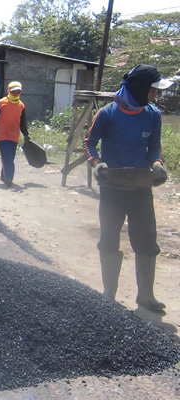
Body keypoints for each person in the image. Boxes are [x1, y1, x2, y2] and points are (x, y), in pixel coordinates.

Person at [83, 64, 173, 312]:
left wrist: (157, 164)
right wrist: (98, 163)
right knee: (109, 238)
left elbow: (154, 147)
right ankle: (109, 293)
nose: (155, 95)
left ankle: (145, 296)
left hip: (140, 188)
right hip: (112, 189)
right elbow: (89, 142)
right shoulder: (108, 113)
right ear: (140, 89)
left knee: (146, 241)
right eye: (152, 90)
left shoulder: (152, 114)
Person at [0, 81, 30, 187]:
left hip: (14, 135)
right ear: (9, 91)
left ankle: (3, 176)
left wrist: (26, 134)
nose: (16, 93)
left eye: (18, 91)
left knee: (10, 157)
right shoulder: (1, 103)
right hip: (2, 135)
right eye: (14, 91)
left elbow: (22, 122)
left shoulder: (21, 106)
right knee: (7, 156)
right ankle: (9, 178)